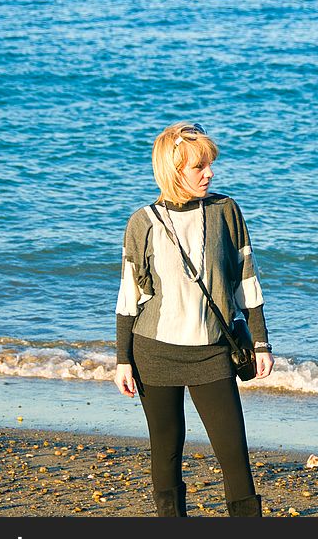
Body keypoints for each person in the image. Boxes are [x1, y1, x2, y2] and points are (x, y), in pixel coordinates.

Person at [113, 121, 274, 517]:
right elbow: (129, 296)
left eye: (209, 164)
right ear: (174, 170)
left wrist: (261, 341)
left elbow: (247, 281)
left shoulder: (225, 211)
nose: (210, 172)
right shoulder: (142, 222)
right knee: (166, 449)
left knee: (233, 451)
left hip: (213, 352)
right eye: (199, 166)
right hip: (154, 352)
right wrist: (122, 359)